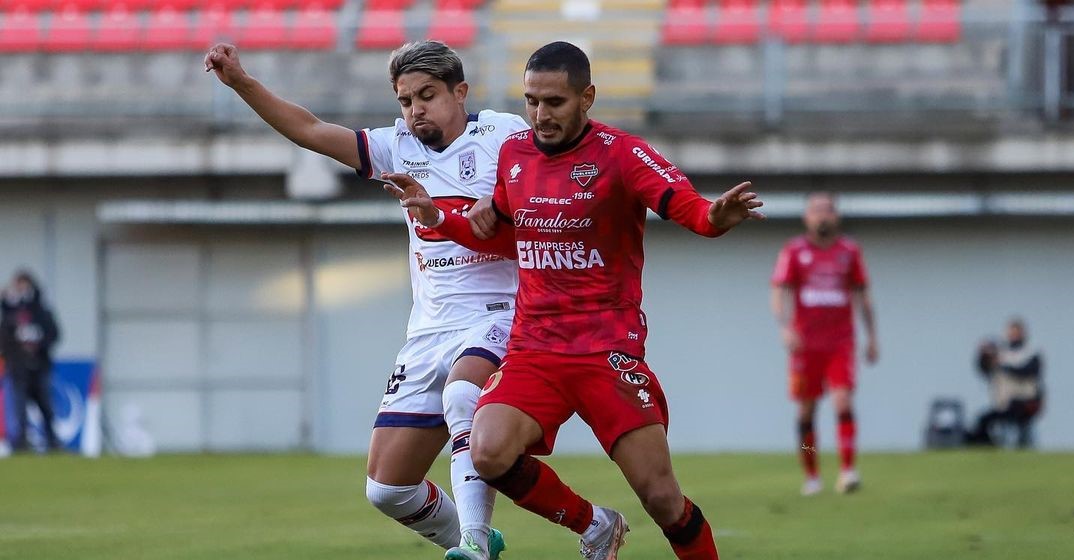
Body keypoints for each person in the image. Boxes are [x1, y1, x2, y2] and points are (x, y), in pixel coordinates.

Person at [382, 41, 764, 560]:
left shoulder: (623, 154)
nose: (540, 114)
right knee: (488, 450)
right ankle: (595, 524)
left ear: (587, 97)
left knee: (662, 498)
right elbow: (500, 234)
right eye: (531, 100)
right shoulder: (515, 155)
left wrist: (715, 218)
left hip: (605, 352)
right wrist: (439, 218)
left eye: (554, 102)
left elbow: (690, 208)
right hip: (535, 349)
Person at [205, 40, 529, 560]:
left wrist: (504, 196)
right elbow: (310, 130)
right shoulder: (394, 147)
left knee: (462, 396)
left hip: (498, 315)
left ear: (460, 92)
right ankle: (477, 543)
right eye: (405, 100)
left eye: (427, 95)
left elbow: (550, 173)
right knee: (387, 489)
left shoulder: (505, 135)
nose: (415, 108)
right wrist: (241, 82)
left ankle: (472, 540)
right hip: (428, 330)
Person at [770, 192, 878, 496]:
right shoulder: (794, 251)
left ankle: (847, 470)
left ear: (836, 216)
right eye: (816, 210)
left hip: (841, 342)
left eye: (827, 210)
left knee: (843, 402)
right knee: (806, 412)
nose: (822, 216)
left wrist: (871, 337)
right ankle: (812, 474)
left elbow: (863, 295)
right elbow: (779, 291)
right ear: (807, 217)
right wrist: (785, 327)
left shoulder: (849, 251)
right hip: (805, 345)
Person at [0, 270, 62, 452]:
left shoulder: (41, 311)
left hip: (40, 368)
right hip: (19, 369)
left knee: (46, 407)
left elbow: (54, 334)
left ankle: (53, 442)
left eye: (24, 286)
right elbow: (4, 337)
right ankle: (21, 443)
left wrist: (38, 342)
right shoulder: (10, 313)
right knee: (19, 409)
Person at [967, 318, 1043, 448]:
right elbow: (985, 370)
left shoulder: (1031, 353)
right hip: (1003, 403)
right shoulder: (1001, 353)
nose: (1013, 335)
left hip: (1025, 401)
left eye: (1016, 332)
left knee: (1021, 428)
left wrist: (1004, 365)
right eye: (1011, 332)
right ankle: (988, 447)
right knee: (983, 421)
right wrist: (983, 356)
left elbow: (1029, 371)